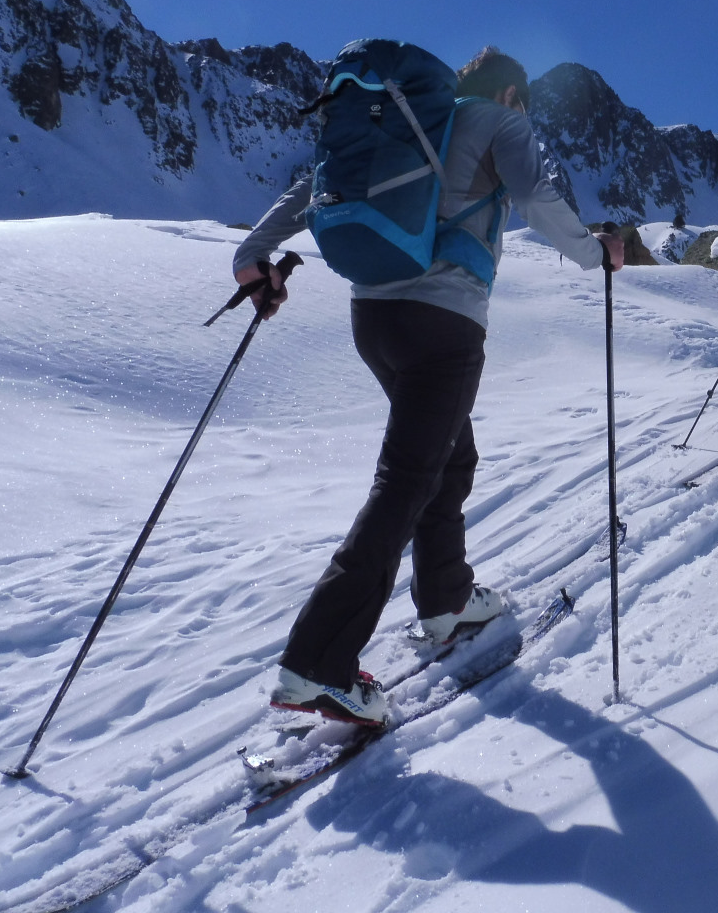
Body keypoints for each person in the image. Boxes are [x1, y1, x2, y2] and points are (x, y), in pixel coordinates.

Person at [231, 46, 624, 726]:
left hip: (373, 320)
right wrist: (598, 252)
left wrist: (249, 259)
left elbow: (310, 190)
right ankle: (316, 663)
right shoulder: (501, 123)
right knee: (406, 479)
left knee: (449, 454)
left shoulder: (404, 124)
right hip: (443, 324)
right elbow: (534, 195)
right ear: (512, 96)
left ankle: (445, 601)